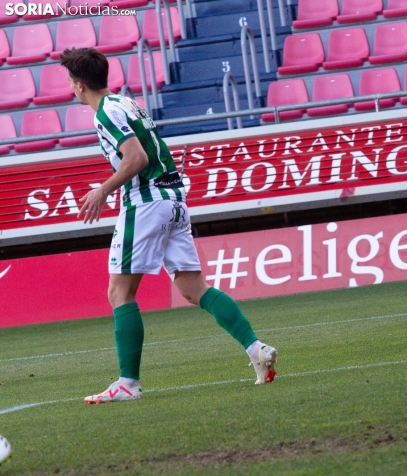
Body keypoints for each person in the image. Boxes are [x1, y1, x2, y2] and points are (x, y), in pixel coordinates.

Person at [59, 48, 278, 404]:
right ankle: (257, 349)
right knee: (193, 287)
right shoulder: (126, 103)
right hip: (173, 198)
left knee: (119, 293)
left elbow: (137, 158)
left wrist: (103, 189)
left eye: (71, 83)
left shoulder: (107, 113)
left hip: (146, 203)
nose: (71, 89)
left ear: (80, 85)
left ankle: (128, 383)